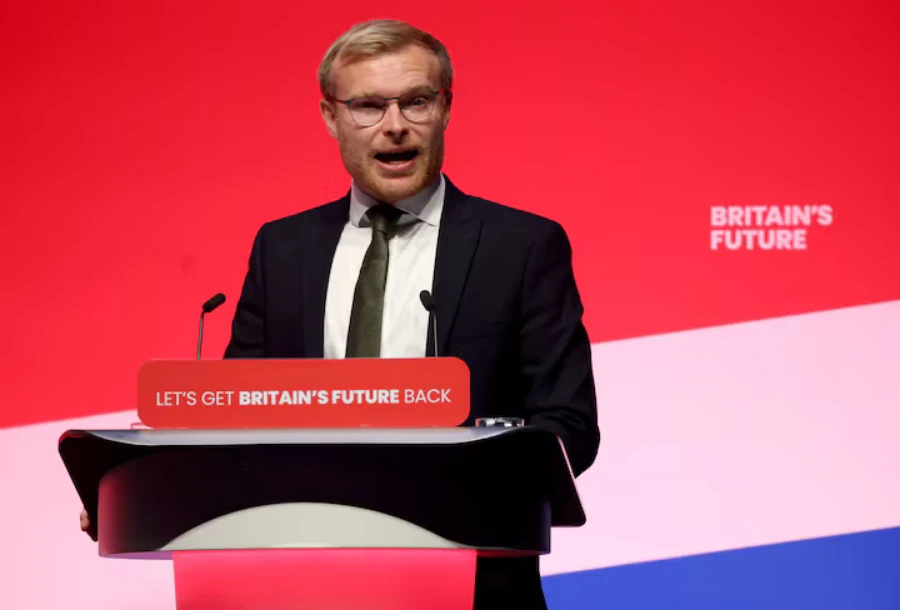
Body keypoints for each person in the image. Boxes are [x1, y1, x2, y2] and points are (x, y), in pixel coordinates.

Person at [82, 18, 600, 609]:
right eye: (368, 106)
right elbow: (230, 413)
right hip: (295, 580)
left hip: (472, 582)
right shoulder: (284, 248)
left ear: (446, 108)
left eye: (416, 102)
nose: (395, 126)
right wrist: (135, 485)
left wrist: (478, 476)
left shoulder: (523, 246)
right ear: (331, 117)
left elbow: (569, 425)